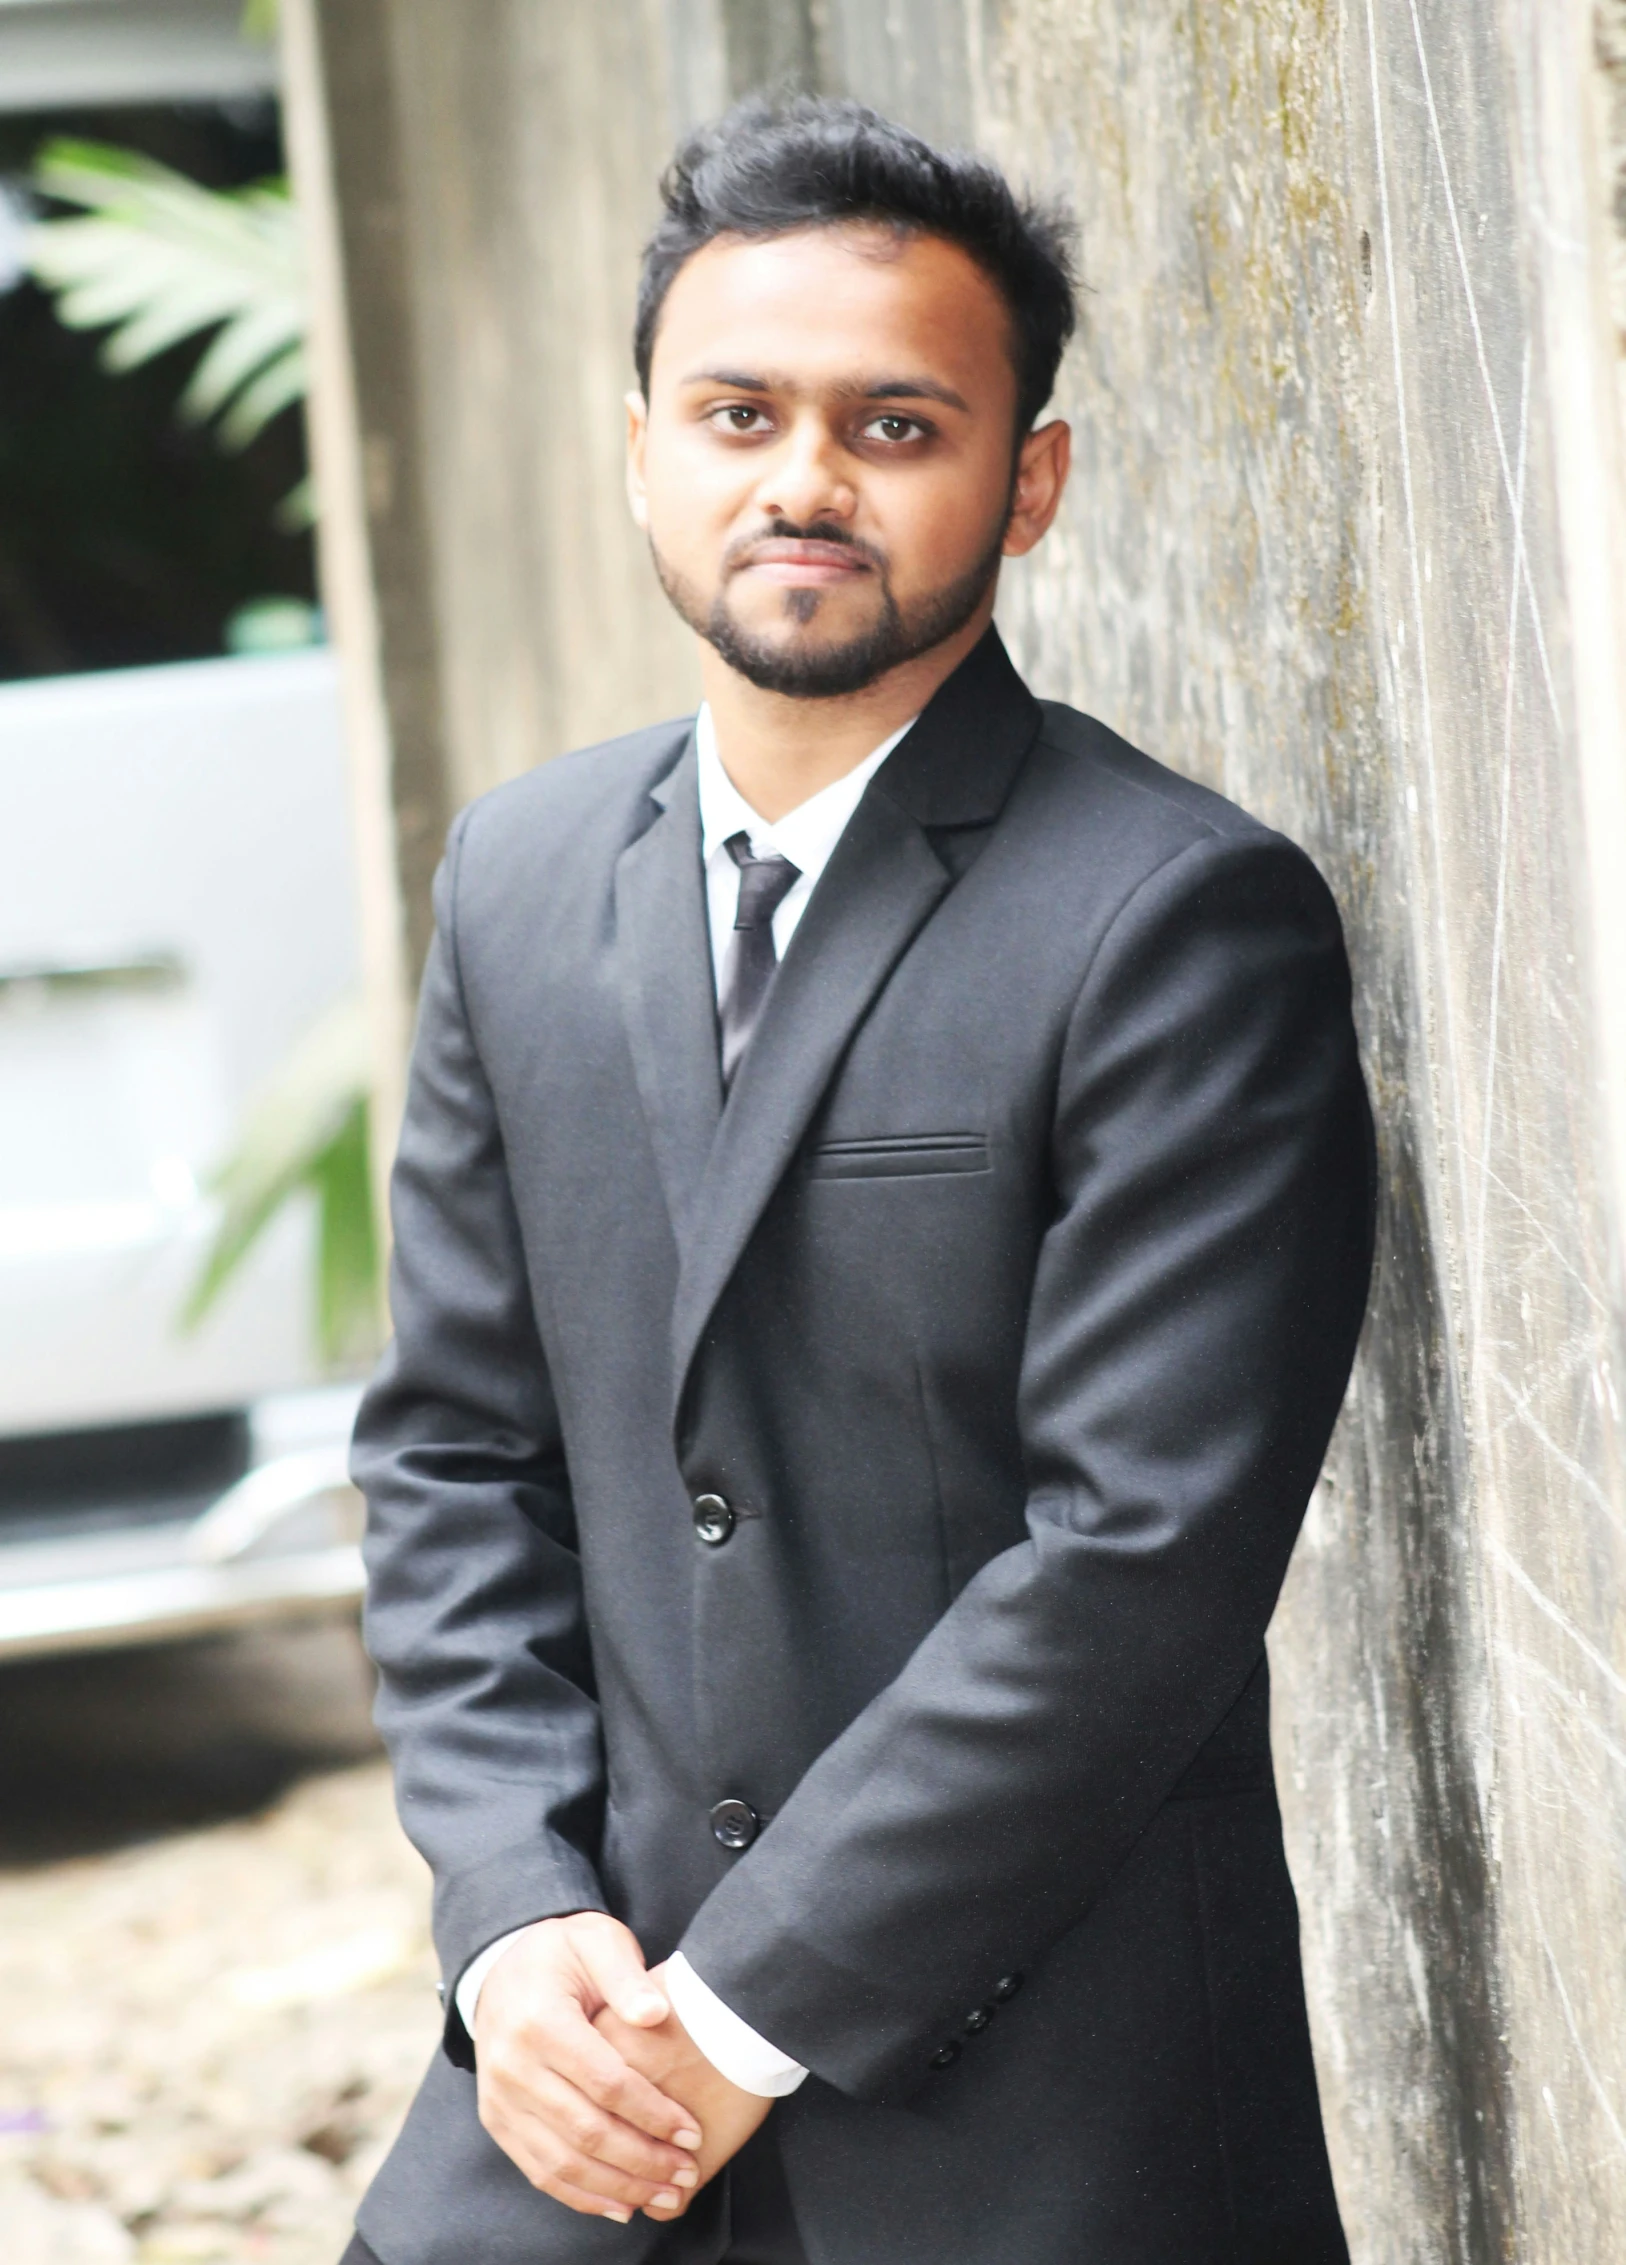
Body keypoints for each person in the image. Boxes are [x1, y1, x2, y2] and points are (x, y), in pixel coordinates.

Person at [344, 94, 1374, 2265]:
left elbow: (1138, 1565)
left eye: (897, 424)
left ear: (1032, 481)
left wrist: (744, 2015)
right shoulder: (521, 880)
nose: (804, 477)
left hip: (1033, 2108)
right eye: (739, 411)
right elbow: (453, 1456)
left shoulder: (1177, 916)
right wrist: (515, 1919)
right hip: (582, 2064)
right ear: (643, 448)